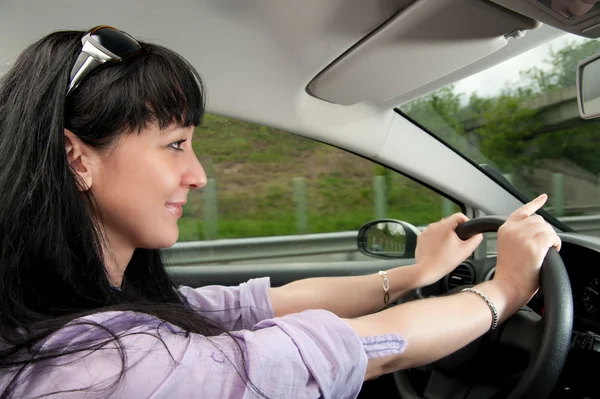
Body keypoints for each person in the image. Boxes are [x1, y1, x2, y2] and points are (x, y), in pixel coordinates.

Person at [0, 26, 561, 399]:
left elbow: (266, 305)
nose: (197, 175)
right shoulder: (110, 368)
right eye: (175, 144)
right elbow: (371, 350)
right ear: (78, 159)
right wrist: (507, 290)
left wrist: (417, 275)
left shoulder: (93, 313)